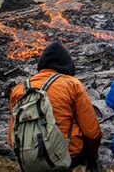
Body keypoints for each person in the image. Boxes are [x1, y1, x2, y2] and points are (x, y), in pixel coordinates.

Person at [8, 42, 102, 170]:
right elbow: (92, 133)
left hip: (28, 159)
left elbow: (11, 137)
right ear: (68, 64)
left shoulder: (19, 89)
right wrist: (92, 160)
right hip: (67, 157)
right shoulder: (72, 85)